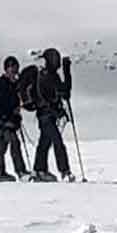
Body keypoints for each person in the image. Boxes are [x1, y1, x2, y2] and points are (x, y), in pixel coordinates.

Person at [29, 47, 74, 181]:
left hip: (47, 116)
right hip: (46, 115)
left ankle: (38, 170)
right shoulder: (45, 77)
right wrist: (58, 111)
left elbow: (65, 92)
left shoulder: (51, 75)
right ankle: (64, 171)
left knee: (45, 142)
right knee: (57, 142)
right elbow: (49, 97)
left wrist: (67, 71)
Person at [0, 57, 30, 181]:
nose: (14, 72)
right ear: (7, 69)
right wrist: (8, 116)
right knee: (13, 142)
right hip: (1, 120)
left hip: (7, 120)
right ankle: (19, 171)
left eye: (15, 69)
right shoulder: (1, 84)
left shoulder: (14, 84)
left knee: (3, 145)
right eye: (12, 69)